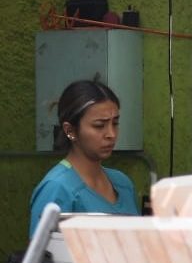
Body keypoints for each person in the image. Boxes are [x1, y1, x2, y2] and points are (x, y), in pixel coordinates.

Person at [29, 80, 138, 236]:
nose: (111, 134)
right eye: (99, 125)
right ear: (70, 130)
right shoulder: (57, 188)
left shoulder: (123, 184)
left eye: (115, 123)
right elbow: (42, 250)